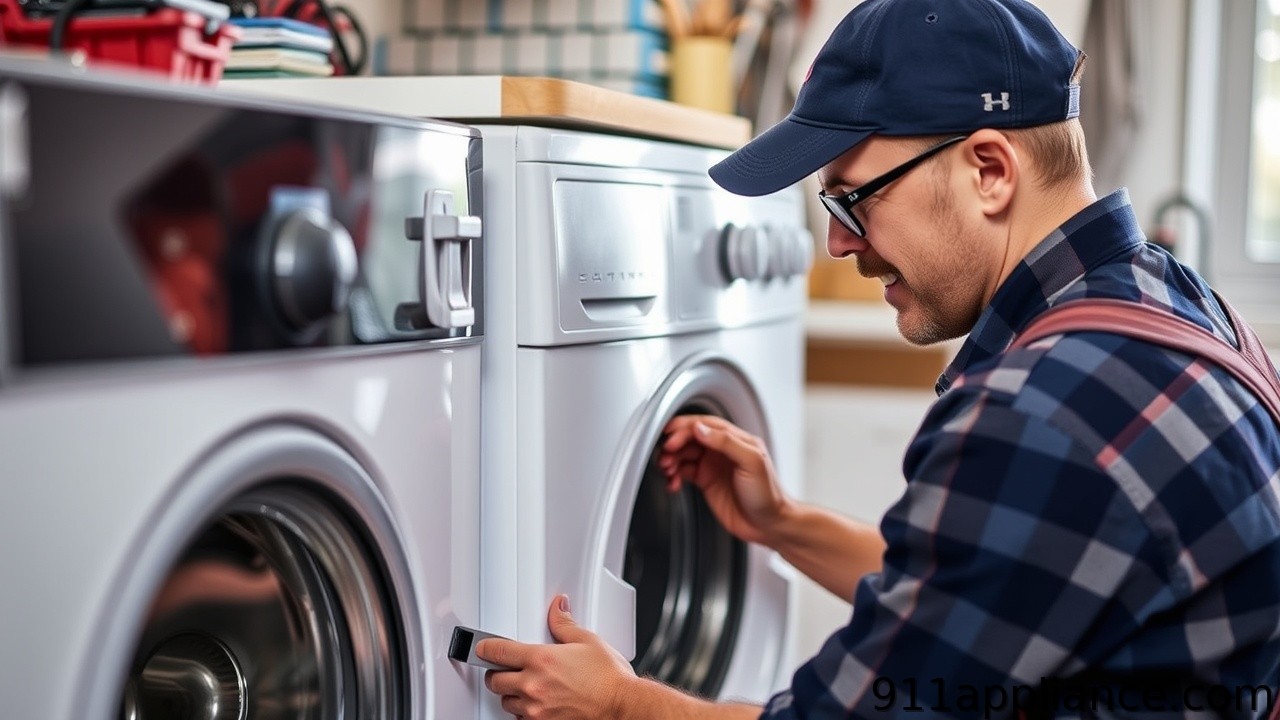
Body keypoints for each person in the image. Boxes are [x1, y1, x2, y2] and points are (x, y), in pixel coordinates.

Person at [474, 0, 1280, 717]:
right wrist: (783, 524)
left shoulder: (1041, 412)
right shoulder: (1171, 300)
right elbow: (990, 592)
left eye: (854, 197)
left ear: (990, 171)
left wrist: (621, 704)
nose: (837, 241)